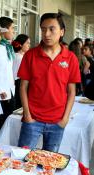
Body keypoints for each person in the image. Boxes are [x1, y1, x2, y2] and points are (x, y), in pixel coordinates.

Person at [17, 13, 81, 152]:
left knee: (50, 164)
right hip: (32, 120)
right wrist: (27, 115)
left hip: (57, 121)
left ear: (62, 32)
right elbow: (23, 87)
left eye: (52, 29)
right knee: (22, 159)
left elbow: (71, 91)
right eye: (43, 29)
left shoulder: (70, 58)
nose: (47, 34)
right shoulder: (30, 55)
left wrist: (65, 119)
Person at [0, 16, 16, 141]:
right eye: (12, 29)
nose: (13, 32)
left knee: (6, 129)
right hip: (0, 95)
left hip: (10, 93)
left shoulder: (8, 48)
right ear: (4, 30)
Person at [12, 34, 30, 109]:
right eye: (27, 43)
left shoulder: (17, 55)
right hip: (19, 82)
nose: (29, 45)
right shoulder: (19, 57)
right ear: (21, 44)